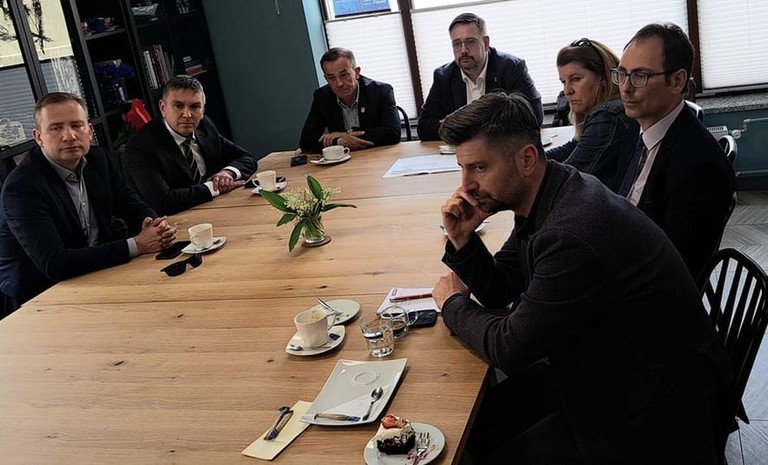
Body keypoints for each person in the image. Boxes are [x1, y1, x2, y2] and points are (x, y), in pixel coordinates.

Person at [431, 92, 731, 464]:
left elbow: (510, 349)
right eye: (462, 168)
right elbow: (501, 288)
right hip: (606, 366)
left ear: (526, 159)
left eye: (479, 168)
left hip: (652, 412)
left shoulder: (571, 232)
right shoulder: (552, 190)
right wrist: (463, 240)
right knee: (476, 429)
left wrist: (452, 305)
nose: (466, 185)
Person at [0, 92, 176, 309]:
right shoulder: (22, 188)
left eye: (76, 125)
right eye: (56, 128)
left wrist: (153, 224)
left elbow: (131, 203)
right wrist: (137, 245)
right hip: (40, 296)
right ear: (38, 137)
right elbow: (55, 264)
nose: (69, 136)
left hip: (94, 272)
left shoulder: (98, 159)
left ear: (90, 131)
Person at [615, 23, 736, 279]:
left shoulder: (700, 167)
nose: (625, 87)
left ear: (677, 81)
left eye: (640, 76)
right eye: (622, 73)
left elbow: (673, 271)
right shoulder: (634, 127)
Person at [123, 75, 258, 215]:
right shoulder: (140, 147)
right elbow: (163, 202)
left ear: (203, 110)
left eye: (195, 107)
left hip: (218, 208)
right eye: (178, 106)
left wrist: (227, 174)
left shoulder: (204, 126)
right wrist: (214, 187)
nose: (187, 114)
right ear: (163, 108)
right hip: (173, 221)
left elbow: (247, 158)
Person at [417, 12, 543, 141]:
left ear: (486, 43)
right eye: (457, 44)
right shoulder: (444, 76)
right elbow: (424, 127)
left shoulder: (511, 68)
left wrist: (457, 126)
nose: (463, 50)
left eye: (470, 42)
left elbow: (534, 116)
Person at [545, 38, 639, 193]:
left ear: (603, 77)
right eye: (563, 82)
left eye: (575, 79)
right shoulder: (606, 111)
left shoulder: (608, 115)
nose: (567, 91)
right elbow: (572, 147)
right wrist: (526, 161)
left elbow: (566, 179)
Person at [298, 47, 400, 153]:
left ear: (356, 72)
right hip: (343, 158)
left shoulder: (380, 91)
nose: (339, 84)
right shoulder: (322, 96)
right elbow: (306, 141)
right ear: (326, 78)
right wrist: (339, 141)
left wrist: (346, 135)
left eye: (344, 75)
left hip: (378, 155)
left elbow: (393, 133)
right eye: (332, 78)